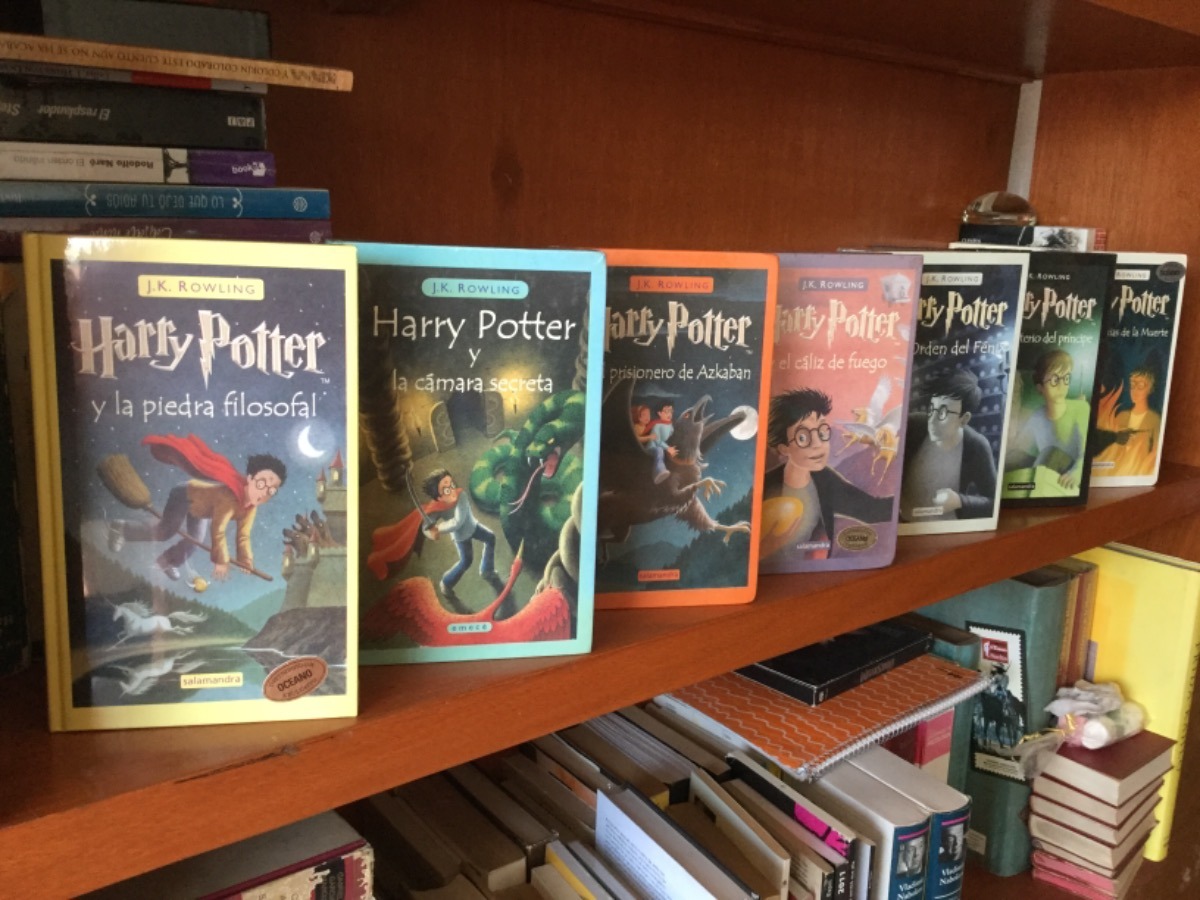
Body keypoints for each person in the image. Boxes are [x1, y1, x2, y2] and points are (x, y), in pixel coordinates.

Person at [109, 433, 285, 581]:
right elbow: (218, 530)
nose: (264, 492)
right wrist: (221, 560)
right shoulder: (230, 498)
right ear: (250, 479)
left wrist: (245, 561)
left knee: (196, 540)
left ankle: (165, 562)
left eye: (271, 490)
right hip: (185, 495)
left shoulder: (250, 507)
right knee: (165, 532)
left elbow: (243, 536)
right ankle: (122, 529)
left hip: (201, 509)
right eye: (261, 484)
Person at [761, 388, 893, 560]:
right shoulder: (763, 487)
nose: (818, 444)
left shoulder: (824, 480)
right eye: (803, 437)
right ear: (783, 447)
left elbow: (871, 510)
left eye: (822, 432)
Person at [900, 370, 996, 521]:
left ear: (964, 419)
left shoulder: (976, 446)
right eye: (932, 409)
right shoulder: (914, 425)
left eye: (943, 412)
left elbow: (993, 502)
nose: (932, 420)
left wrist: (959, 501)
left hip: (946, 526)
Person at [1005, 349, 1090, 490]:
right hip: (1046, 471)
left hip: (1070, 476)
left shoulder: (1081, 408)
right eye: (1055, 380)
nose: (1062, 385)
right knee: (1013, 458)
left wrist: (1077, 472)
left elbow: (1086, 452)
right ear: (1040, 388)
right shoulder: (1037, 416)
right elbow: (1019, 449)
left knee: (1050, 453)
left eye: (1066, 378)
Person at [421, 467, 499, 599]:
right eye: (446, 490)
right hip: (461, 537)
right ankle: (446, 582)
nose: (452, 490)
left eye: (452, 484)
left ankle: (487, 570)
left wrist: (438, 528)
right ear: (439, 497)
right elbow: (425, 526)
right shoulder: (437, 507)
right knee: (466, 562)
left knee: (490, 537)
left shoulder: (461, 496)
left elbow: (458, 522)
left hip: (473, 527)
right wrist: (431, 533)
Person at [1093, 363, 1162, 477]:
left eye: (1140, 386)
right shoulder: (1121, 416)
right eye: (1132, 385)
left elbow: (1154, 455)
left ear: (1150, 388)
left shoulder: (1155, 420)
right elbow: (1109, 450)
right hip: (1115, 471)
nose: (1134, 390)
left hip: (1139, 472)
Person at [640, 400, 677, 484]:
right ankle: (658, 472)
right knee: (659, 450)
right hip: (652, 447)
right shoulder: (657, 425)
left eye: (671, 411)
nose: (669, 414)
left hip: (662, 447)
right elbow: (657, 440)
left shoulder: (670, 425)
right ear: (659, 413)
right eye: (666, 411)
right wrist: (668, 448)